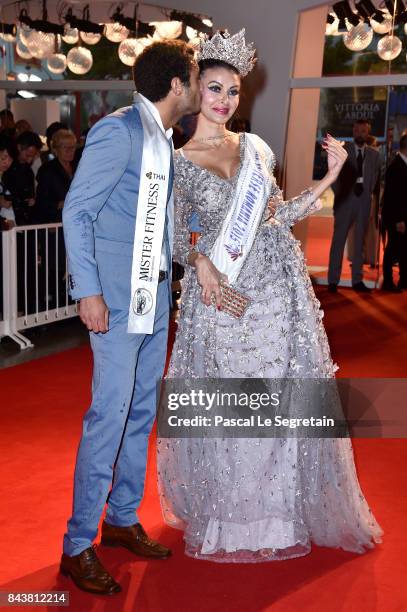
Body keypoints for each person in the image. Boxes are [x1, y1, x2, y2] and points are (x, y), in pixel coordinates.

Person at [157, 30, 383, 563]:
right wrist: (201, 261)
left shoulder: (255, 149)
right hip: (222, 295)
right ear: (197, 91)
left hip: (276, 293)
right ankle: (232, 520)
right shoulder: (177, 160)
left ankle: (280, 512)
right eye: (214, 89)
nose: (224, 100)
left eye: (233, 92)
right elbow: (170, 234)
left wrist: (328, 175)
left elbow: (277, 216)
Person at [61, 40, 201, 595]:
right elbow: (77, 209)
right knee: (110, 416)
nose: (198, 88)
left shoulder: (166, 137)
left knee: (140, 413)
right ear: (175, 85)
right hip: (116, 301)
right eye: (194, 78)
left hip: (155, 296)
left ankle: (120, 518)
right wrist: (87, 289)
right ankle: (77, 544)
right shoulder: (119, 131)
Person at [327, 119, 382, 293]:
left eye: (363, 131)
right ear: (353, 131)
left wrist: (367, 194)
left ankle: (357, 280)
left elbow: (374, 179)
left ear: (368, 133)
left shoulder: (375, 155)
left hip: (363, 203)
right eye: (357, 130)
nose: (360, 134)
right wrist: (342, 195)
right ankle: (333, 281)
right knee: (338, 240)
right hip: (345, 203)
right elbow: (333, 178)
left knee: (360, 242)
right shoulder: (343, 152)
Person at [381, 133, 407, 292]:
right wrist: (399, 220)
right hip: (397, 217)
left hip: (402, 216)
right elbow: (393, 197)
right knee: (392, 249)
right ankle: (388, 282)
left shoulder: (401, 165)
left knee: (404, 249)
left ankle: (404, 280)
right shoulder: (395, 167)